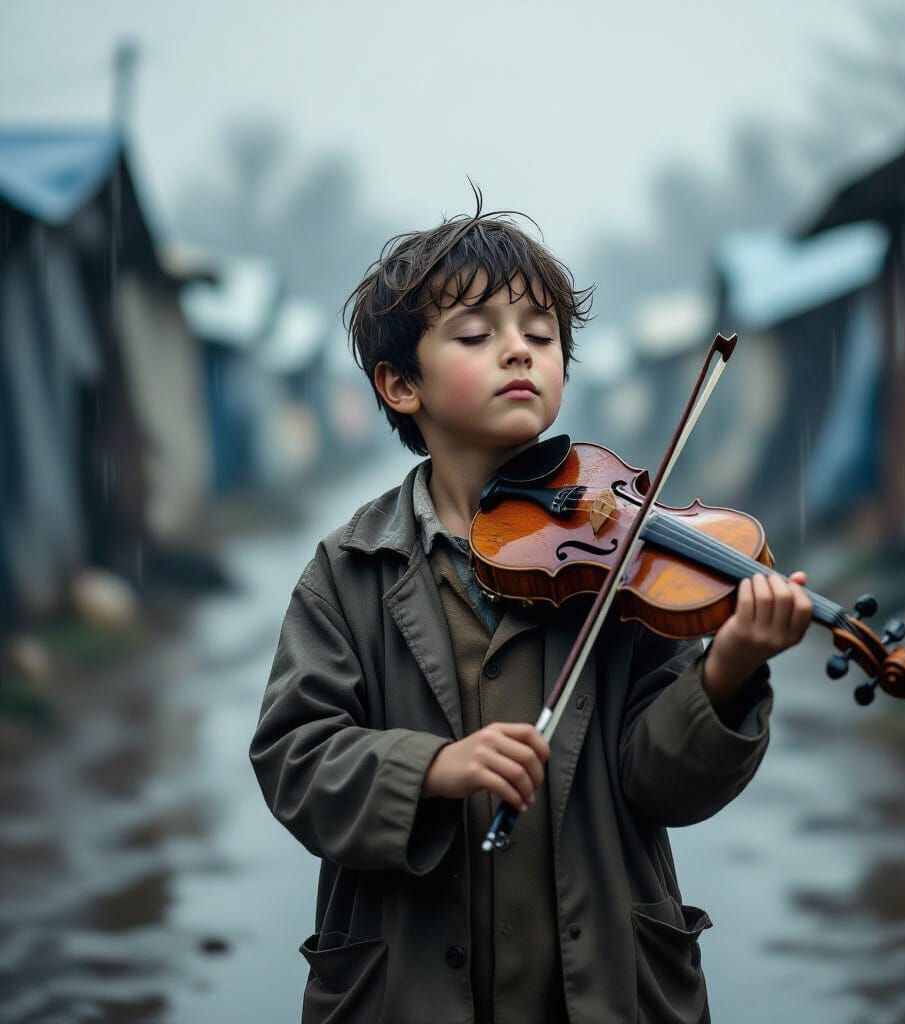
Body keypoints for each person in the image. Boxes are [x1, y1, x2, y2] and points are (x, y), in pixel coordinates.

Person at [249, 189, 813, 1024]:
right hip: (404, 992)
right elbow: (295, 758)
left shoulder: (623, 558)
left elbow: (659, 786)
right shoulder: (349, 570)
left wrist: (726, 673)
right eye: (478, 336)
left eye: (541, 337)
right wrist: (430, 770)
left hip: (603, 992)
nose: (520, 352)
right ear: (401, 384)